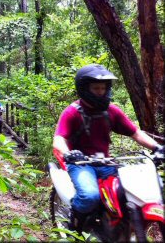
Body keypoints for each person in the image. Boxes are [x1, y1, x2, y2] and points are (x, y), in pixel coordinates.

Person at [53, 64, 164, 233]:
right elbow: (59, 139)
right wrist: (69, 154)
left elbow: (135, 133)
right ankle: (74, 228)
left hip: (106, 163)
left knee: (132, 193)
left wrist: (157, 147)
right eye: (96, 88)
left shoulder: (111, 111)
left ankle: (116, 227)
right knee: (90, 196)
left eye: (103, 88)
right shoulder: (72, 112)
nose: (100, 92)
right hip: (81, 163)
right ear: (84, 89)